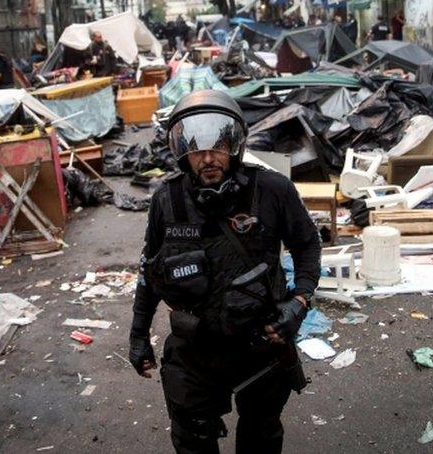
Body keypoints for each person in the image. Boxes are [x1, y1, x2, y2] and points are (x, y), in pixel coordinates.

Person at [129, 90, 320, 454]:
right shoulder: (166, 201)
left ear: (235, 144)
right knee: (192, 439)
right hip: (196, 348)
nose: (208, 157)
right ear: (182, 150)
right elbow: (149, 272)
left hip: (261, 342)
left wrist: (298, 302)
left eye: (218, 145)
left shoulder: (272, 190)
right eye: (197, 148)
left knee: (261, 437)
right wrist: (138, 336)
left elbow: (308, 245)